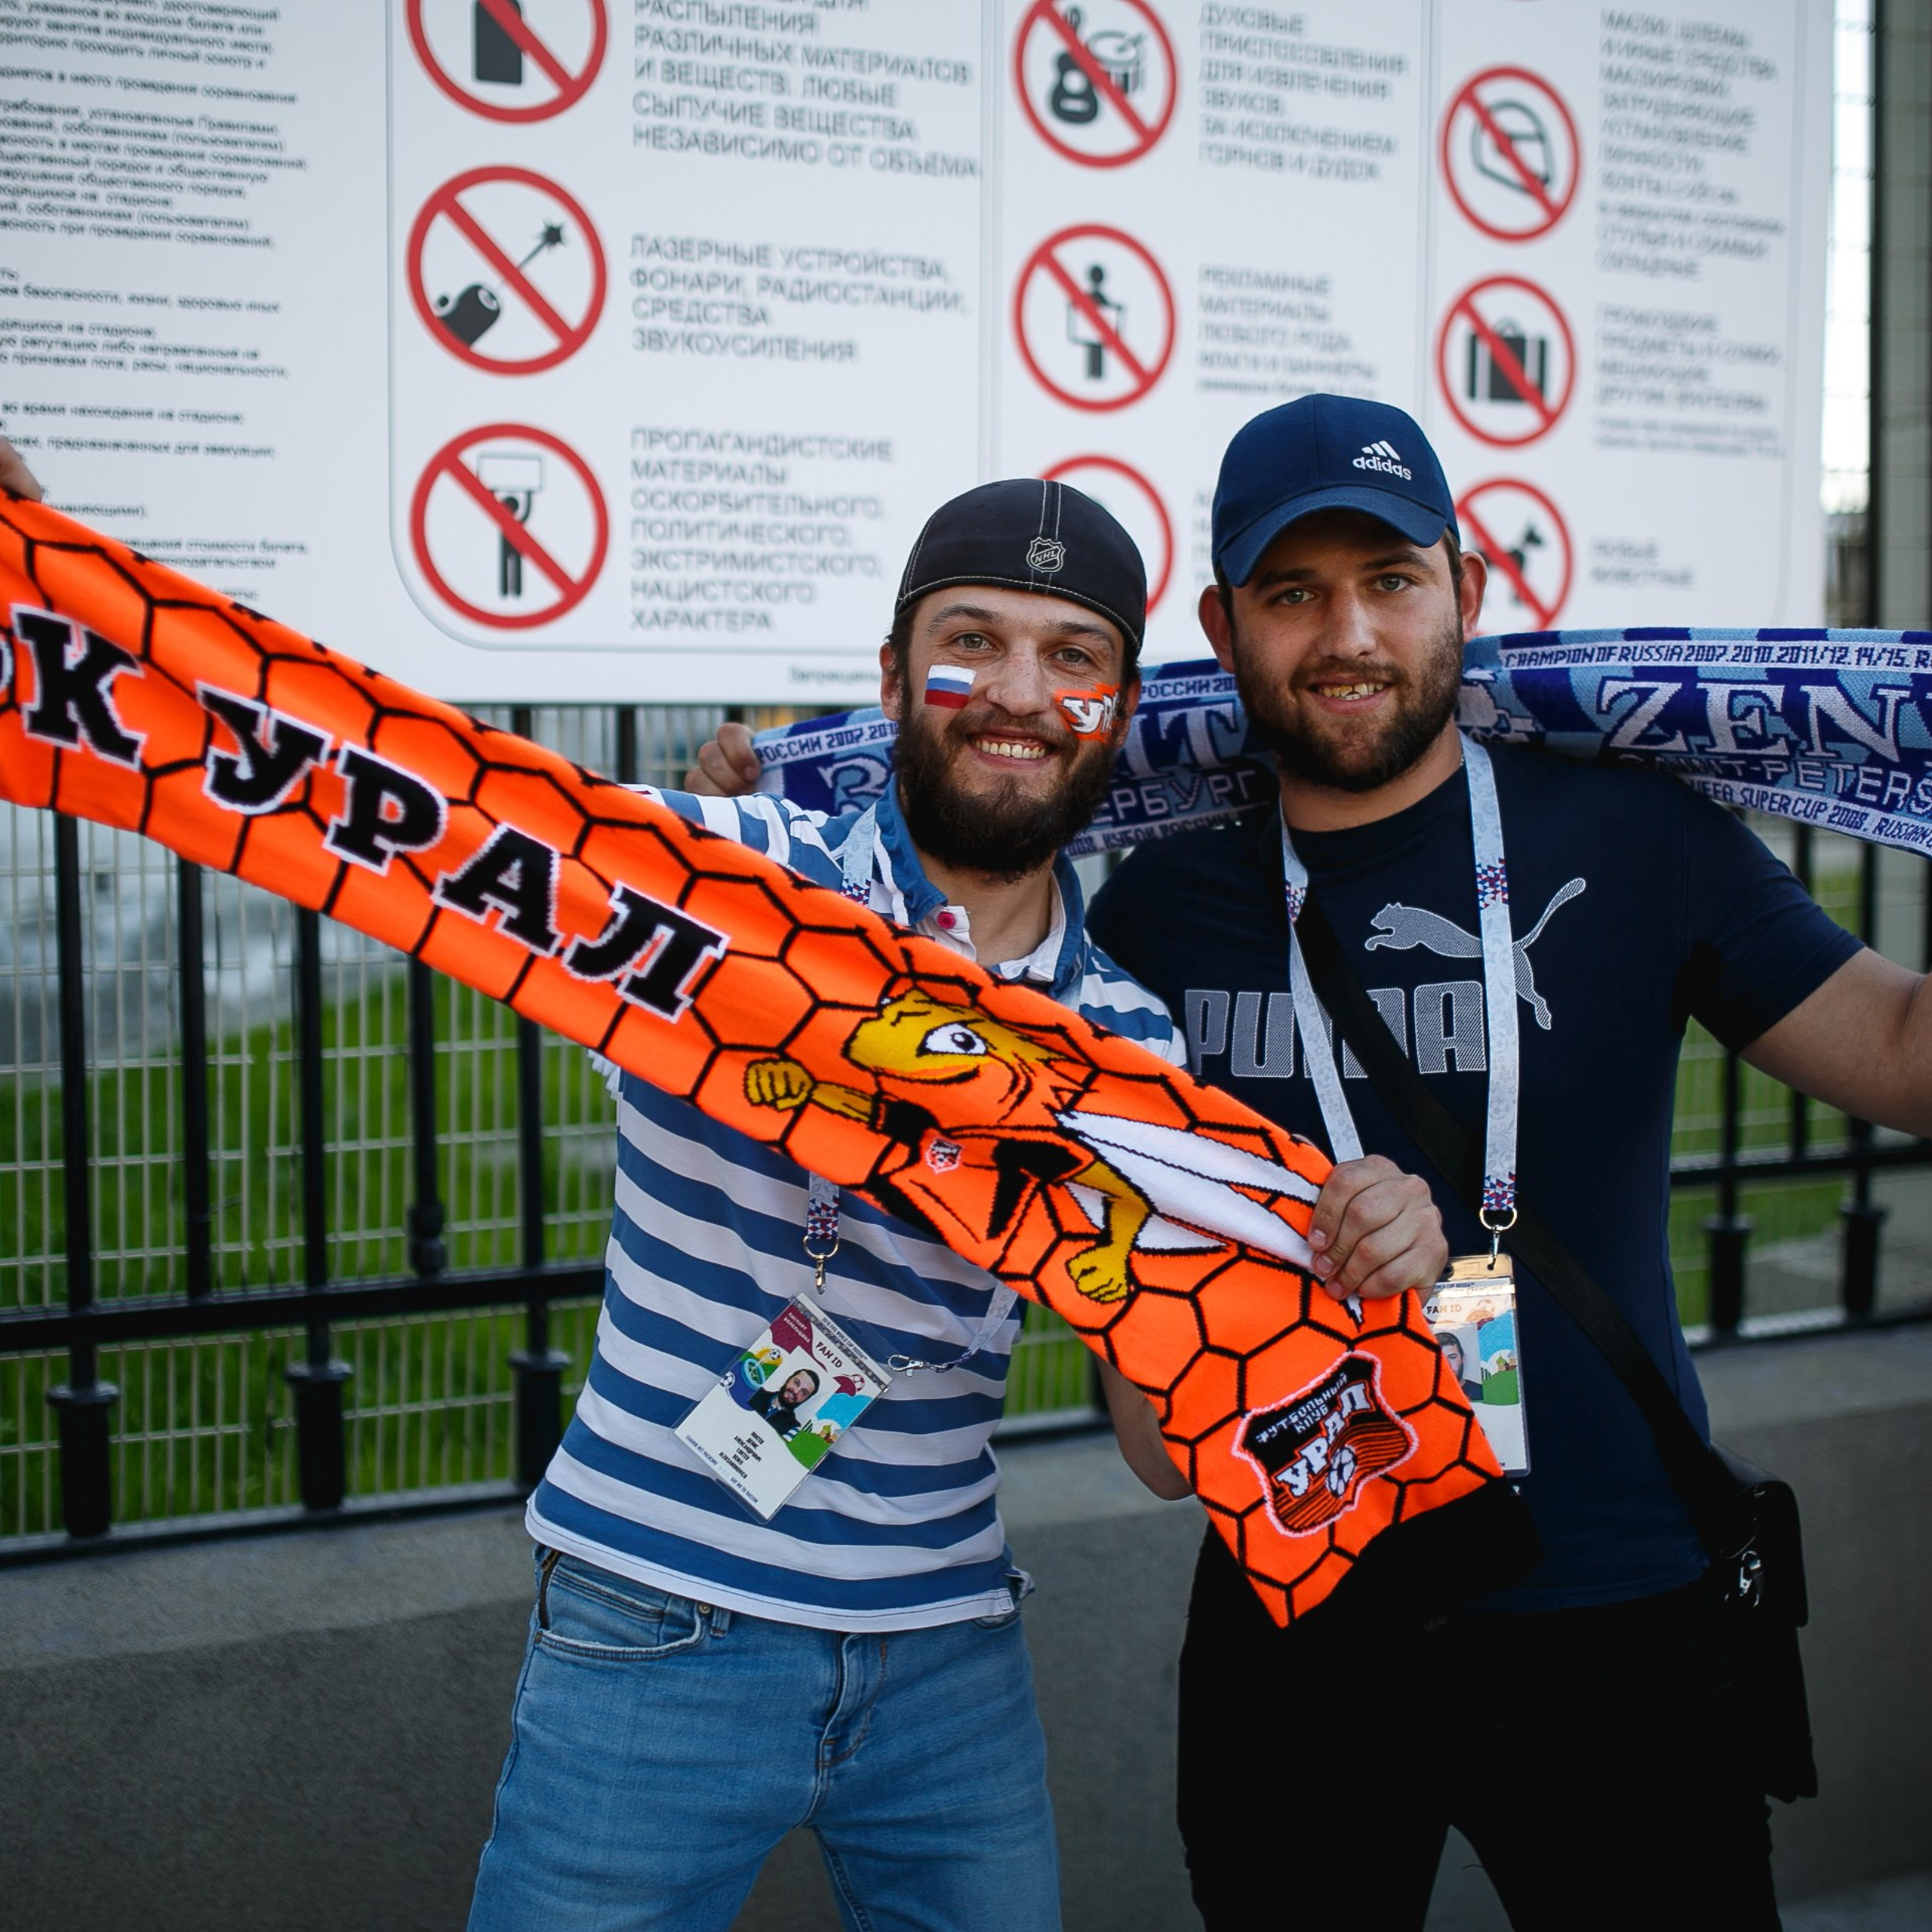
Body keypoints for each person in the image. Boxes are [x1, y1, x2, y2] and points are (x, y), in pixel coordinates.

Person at [1084, 393, 1932, 1929]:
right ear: (1222, 624)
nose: (1347, 631)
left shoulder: (1634, 835)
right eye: (1291, 593)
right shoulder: (1159, 910)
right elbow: (1141, 1412)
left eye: (1389, 579)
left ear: (1461, 590)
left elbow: (1905, 1057)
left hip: (1614, 1605)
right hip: (1301, 1612)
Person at [748, 1366, 820, 1439]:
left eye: (804, 1392)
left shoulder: (793, 1429)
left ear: (805, 1399)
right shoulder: (755, 1393)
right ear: (788, 1380)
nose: (796, 1391)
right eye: (796, 1383)